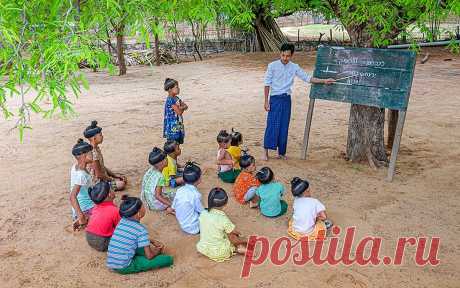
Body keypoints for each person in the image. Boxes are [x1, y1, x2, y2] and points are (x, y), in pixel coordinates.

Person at [262, 43, 335, 161]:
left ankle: (281, 153)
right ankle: (265, 151)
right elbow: (267, 84)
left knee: (284, 126)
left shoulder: (294, 67)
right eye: (283, 55)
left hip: (286, 100)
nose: (285, 58)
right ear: (280, 53)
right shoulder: (272, 66)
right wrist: (266, 101)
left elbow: (307, 78)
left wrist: (324, 81)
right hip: (275, 99)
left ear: (292, 55)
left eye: (288, 56)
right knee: (272, 124)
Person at [106, 195, 174, 274]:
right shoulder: (141, 230)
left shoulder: (122, 221)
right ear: (139, 214)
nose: (144, 207)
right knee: (166, 259)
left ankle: (135, 255)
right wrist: (157, 251)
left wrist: (152, 241)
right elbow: (149, 256)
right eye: (143, 206)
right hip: (124, 266)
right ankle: (168, 259)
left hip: (112, 262)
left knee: (138, 246)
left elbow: (132, 237)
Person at [197, 188, 248, 262]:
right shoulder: (223, 219)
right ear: (225, 203)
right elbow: (233, 232)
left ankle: (238, 247)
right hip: (219, 252)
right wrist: (240, 236)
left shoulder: (203, 213)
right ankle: (237, 249)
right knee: (232, 236)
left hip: (203, 248)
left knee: (220, 231)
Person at [84, 120, 127, 191]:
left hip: (102, 178)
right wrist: (112, 179)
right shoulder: (93, 153)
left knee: (121, 178)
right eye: (100, 135)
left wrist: (114, 175)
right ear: (94, 138)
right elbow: (99, 175)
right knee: (121, 183)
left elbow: (102, 167)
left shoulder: (95, 148)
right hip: (97, 183)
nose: (102, 136)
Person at [86, 181, 120, 252]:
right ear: (110, 194)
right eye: (111, 189)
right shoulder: (115, 210)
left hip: (89, 238)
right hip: (103, 242)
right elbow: (120, 228)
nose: (113, 190)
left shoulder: (95, 207)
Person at [171, 162, 204, 234]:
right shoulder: (196, 195)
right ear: (199, 179)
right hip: (194, 228)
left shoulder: (180, 190)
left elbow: (173, 207)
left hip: (182, 224)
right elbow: (202, 211)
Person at [70, 139, 95, 231]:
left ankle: (82, 218)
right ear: (83, 156)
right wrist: (81, 216)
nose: (92, 155)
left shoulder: (75, 167)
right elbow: (72, 196)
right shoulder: (82, 175)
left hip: (83, 206)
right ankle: (83, 219)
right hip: (85, 208)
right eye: (90, 153)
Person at [141, 147, 175, 213]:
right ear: (161, 163)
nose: (167, 159)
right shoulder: (160, 177)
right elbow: (157, 196)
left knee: (169, 193)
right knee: (173, 198)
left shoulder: (150, 171)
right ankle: (170, 209)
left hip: (147, 202)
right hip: (155, 205)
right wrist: (172, 205)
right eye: (166, 158)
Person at [164, 78, 188, 144]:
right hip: (172, 127)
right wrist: (182, 108)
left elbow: (185, 106)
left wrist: (181, 107)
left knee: (177, 143)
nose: (178, 89)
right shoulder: (170, 100)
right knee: (173, 144)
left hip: (178, 124)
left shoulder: (176, 98)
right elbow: (179, 112)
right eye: (176, 87)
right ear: (169, 89)